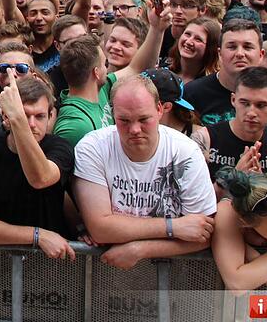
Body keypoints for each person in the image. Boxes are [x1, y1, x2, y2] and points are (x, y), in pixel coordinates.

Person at [73, 75, 217, 269]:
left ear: (160, 110)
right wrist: (174, 227)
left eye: (143, 119)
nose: (134, 129)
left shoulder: (186, 152)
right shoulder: (93, 147)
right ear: (112, 113)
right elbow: (101, 229)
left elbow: (202, 233)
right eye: (124, 120)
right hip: (107, 272)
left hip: (172, 277)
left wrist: (140, 249)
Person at [0, 75, 75, 259]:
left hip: (51, 261)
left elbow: (41, 177)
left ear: (51, 116)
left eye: (40, 116)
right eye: (24, 115)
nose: (32, 124)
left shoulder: (60, 147)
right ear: (5, 116)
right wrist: (37, 235)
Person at [185, 19, 267, 135]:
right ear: (219, 54)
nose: (239, 54)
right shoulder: (193, 93)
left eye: (248, 47)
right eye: (232, 47)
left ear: (261, 54)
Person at [192, 67, 267, 201]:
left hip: (265, 220)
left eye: (261, 105)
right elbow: (195, 203)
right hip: (217, 219)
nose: (251, 113)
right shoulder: (205, 139)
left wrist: (262, 185)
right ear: (233, 100)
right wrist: (232, 179)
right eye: (245, 103)